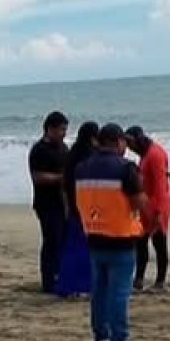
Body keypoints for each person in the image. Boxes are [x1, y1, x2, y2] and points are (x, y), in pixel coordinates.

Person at [74, 124, 150, 341]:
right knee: (119, 291)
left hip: (94, 234)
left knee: (100, 290)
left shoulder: (82, 168)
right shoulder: (125, 168)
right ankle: (119, 339)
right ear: (118, 142)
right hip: (120, 235)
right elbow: (138, 201)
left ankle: (101, 336)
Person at [125, 127, 170, 294]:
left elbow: (160, 185)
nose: (129, 147)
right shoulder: (145, 154)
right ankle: (139, 278)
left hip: (157, 203)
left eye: (130, 143)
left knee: (159, 242)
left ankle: (160, 281)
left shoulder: (155, 155)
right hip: (146, 203)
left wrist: (158, 212)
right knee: (141, 242)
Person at [55, 121, 99, 297]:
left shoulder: (72, 154)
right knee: (85, 249)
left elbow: (65, 184)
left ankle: (66, 285)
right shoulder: (90, 157)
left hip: (74, 205)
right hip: (87, 208)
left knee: (72, 247)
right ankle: (83, 286)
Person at [28, 111, 69, 294]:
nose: (64, 133)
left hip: (63, 202)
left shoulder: (63, 148)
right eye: (61, 129)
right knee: (51, 240)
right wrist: (60, 178)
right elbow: (37, 177)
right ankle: (48, 280)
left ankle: (60, 275)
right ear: (50, 129)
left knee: (62, 241)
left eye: (65, 129)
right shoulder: (39, 150)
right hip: (46, 203)